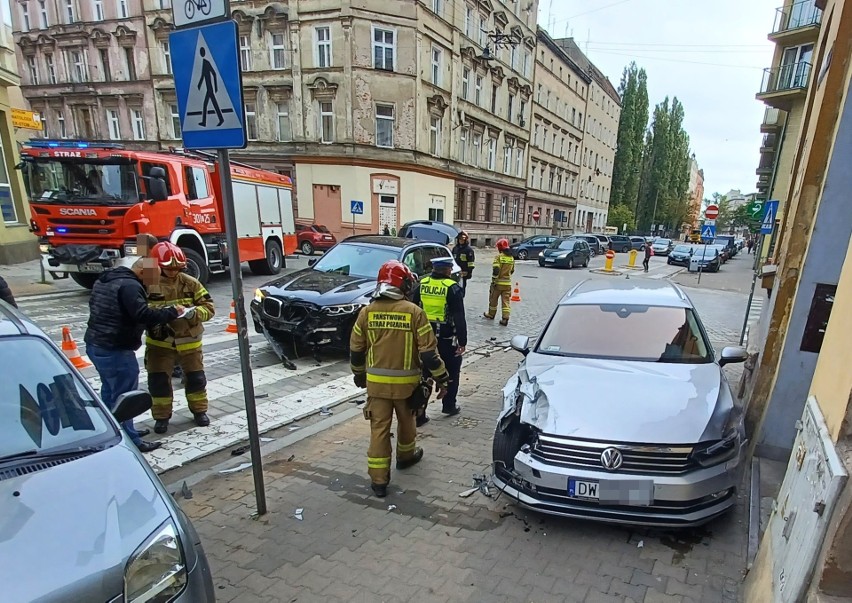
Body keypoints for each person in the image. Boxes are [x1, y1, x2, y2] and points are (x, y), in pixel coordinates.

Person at [350, 260, 450, 498]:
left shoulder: (366, 312)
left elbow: (356, 349)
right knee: (408, 424)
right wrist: (442, 379)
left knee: (379, 430)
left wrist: (359, 375)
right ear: (403, 285)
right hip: (407, 387)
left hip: (377, 387)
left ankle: (378, 481)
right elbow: (429, 354)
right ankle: (406, 457)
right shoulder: (415, 313)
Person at [84, 258, 182, 452]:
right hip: (115, 347)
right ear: (142, 271)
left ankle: (115, 428)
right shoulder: (129, 286)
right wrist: (172, 312)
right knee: (125, 395)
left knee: (110, 391)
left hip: (96, 343)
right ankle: (130, 439)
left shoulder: (106, 279)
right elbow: (142, 314)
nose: (153, 282)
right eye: (152, 276)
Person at [145, 242, 215, 434]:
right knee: (158, 383)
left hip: (189, 342)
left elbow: (209, 308)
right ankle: (161, 417)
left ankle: (199, 411)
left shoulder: (190, 282)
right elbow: (140, 312)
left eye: (177, 268)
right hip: (160, 344)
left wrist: (194, 313)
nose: (173, 272)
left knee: (196, 380)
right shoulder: (148, 283)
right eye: (169, 269)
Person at [413, 257, 466, 425]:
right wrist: (462, 341)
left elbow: (413, 309)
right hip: (446, 339)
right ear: (448, 270)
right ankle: (449, 405)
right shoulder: (452, 288)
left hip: (424, 339)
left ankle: (420, 414)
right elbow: (459, 317)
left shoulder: (422, 284)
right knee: (451, 371)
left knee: (425, 375)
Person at [483, 238, 514, 326]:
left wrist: (494, 281)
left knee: (493, 300)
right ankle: (505, 318)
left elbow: (496, 270)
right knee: (506, 302)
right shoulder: (511, 258)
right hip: (507, 284)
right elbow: (512, 271)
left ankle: (491, 314)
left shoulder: (499, 257)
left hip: (498, 284)